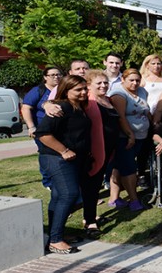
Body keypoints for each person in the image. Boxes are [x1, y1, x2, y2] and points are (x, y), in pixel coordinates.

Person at [36, 75, 91, 255]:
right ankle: (55, 240)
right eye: (78, 90)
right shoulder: (62, 107)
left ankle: (55, 235)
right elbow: (43, 134)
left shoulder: (79, 107)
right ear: (67, 90)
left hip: (71, 159)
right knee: (69, 194)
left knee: (60, 196)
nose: (83, 92)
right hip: (55, 158)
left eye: (84, 89)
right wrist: (64, 150)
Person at [85, 70, 121, 238]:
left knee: (96, 184)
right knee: (91, 186)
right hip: (94, 151)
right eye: (98, 83)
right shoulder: (87, 101)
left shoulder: (107, 100)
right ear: (88, 85)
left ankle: (90, 214)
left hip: (109, 149)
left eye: (105, 83)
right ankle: (89, 220)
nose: (103, 86)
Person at [108, 68, 150, 211]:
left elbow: (146, 110)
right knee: (129, 168)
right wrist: (129, 134)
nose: (135, 83)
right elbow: (120, 116)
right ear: (123, 80)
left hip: (141, 135)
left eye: (137, 80)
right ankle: (134, 200)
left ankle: (114, 199)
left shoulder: (142, 91)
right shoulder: (119, 94)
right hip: (124, 137)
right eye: (131, 80)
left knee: (119, 166)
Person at [23, 66, 61, 189]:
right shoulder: (38, 91)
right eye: (52, 75)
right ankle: (48, 181)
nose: (56, 77)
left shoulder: (62, 89)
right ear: (45, 77)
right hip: (42, 129)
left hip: (59, 128)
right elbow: (26, 108)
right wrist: (31, 127)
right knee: (45, 153)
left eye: (58, 75)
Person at [140, 54, 162, 126]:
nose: (156, 66)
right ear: (147, 65)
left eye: (158, 63)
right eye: (153, 63)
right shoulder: (142, 78)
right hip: (147, 112)